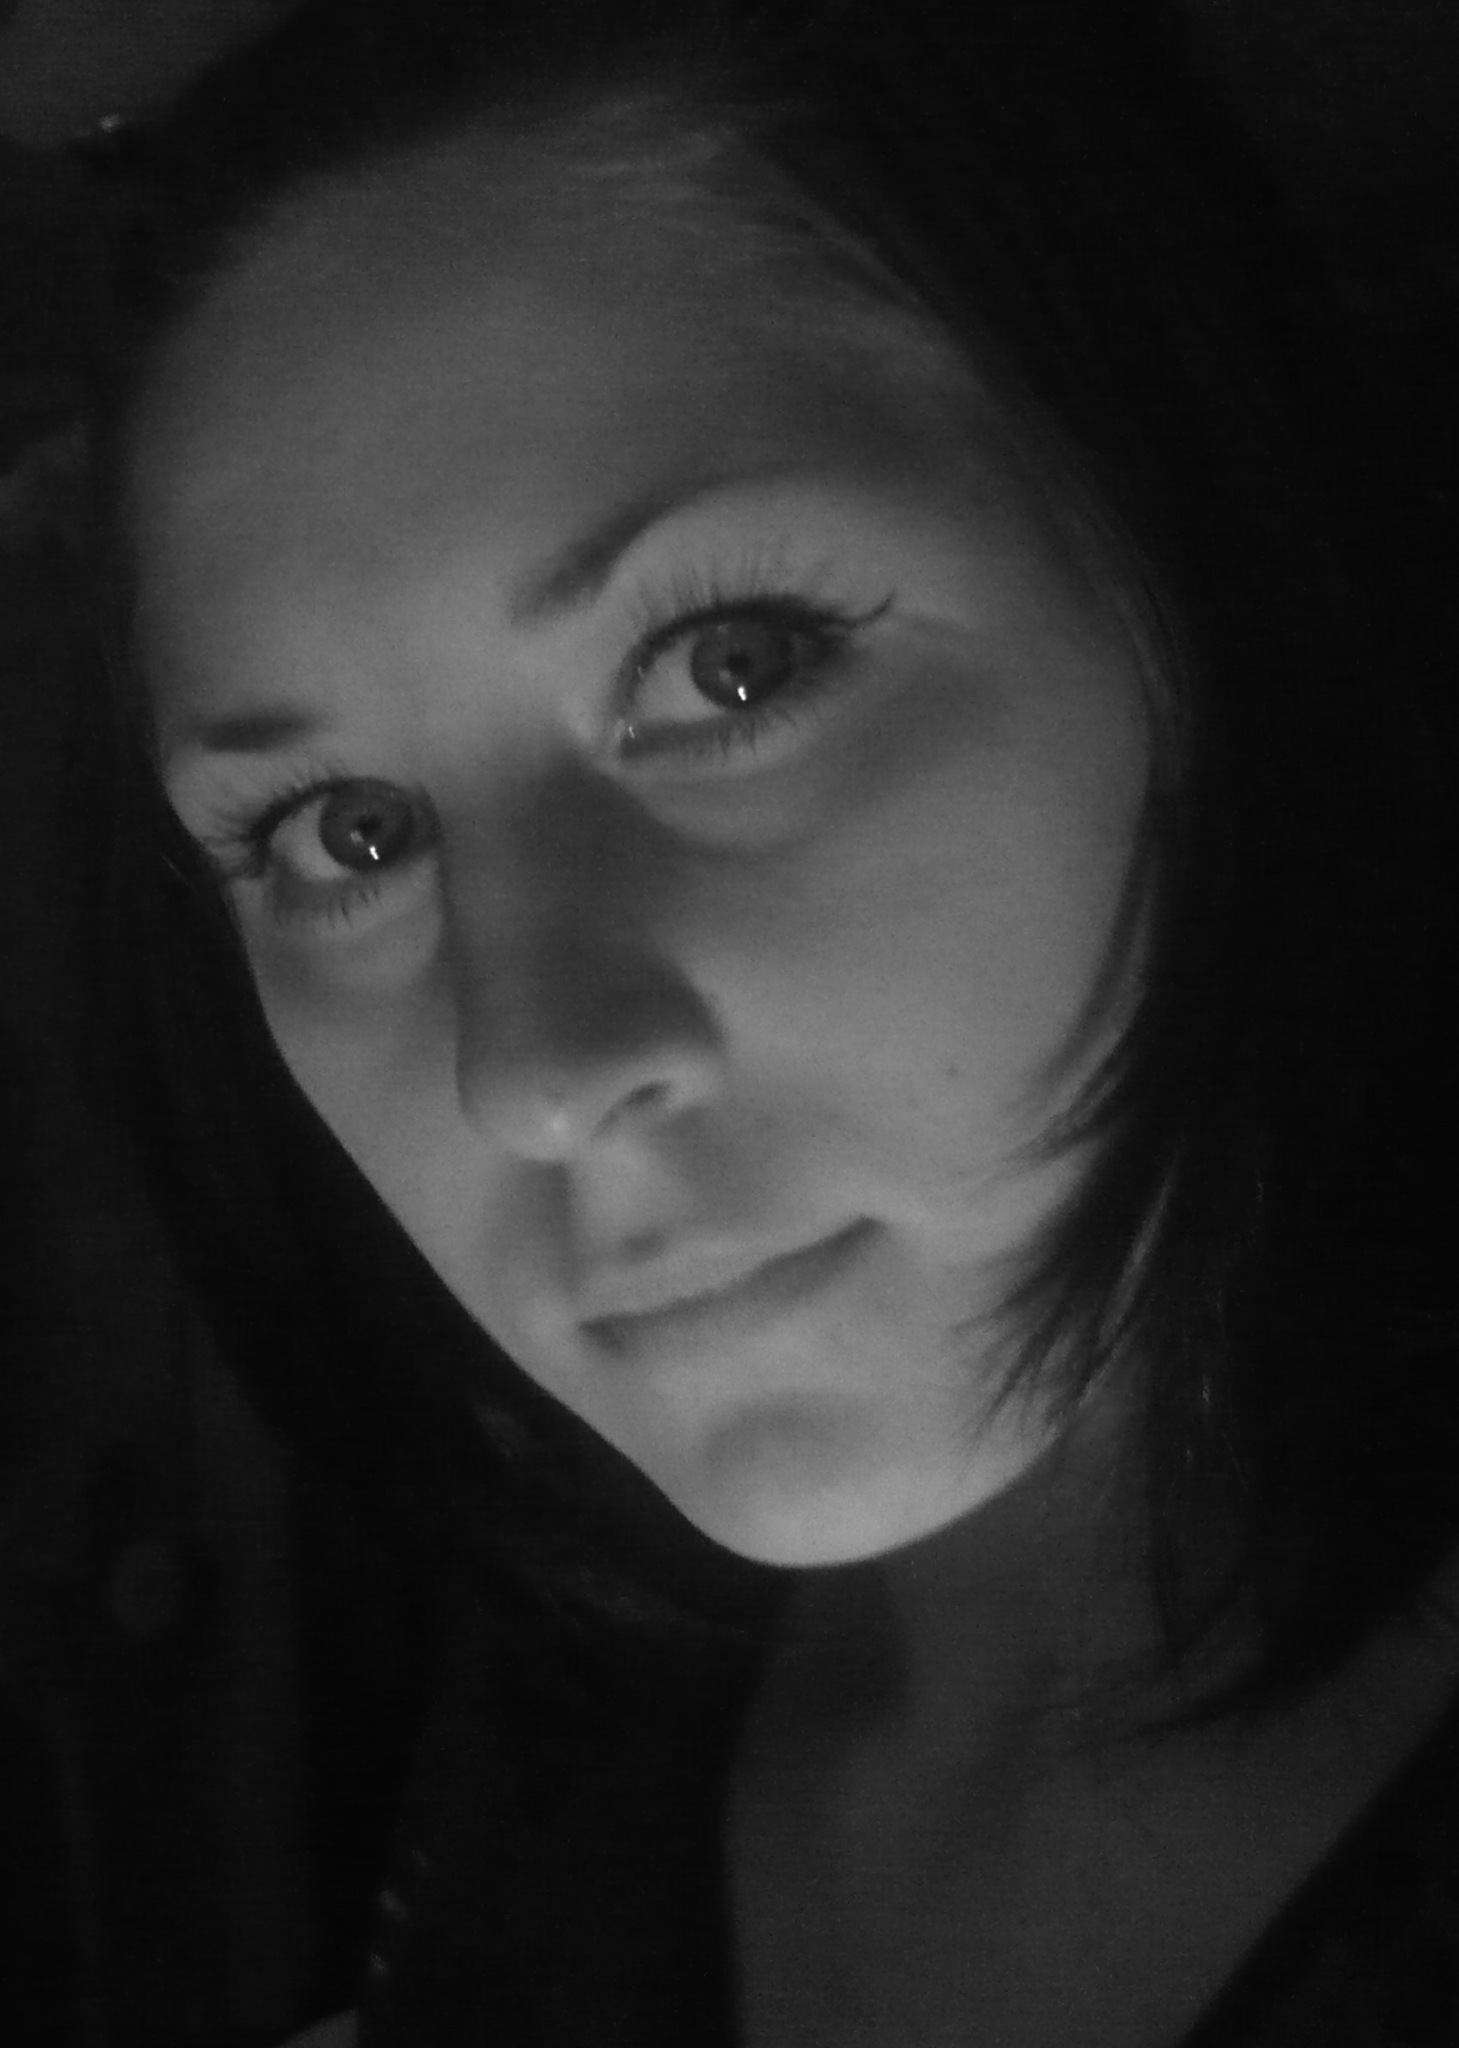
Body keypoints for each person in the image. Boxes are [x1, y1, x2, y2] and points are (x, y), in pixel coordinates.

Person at [84, 0, 1458, 2040]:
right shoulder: (572, 1709)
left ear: (1199, 576)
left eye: (733, 668)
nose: (533, 1071)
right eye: (344, 833)